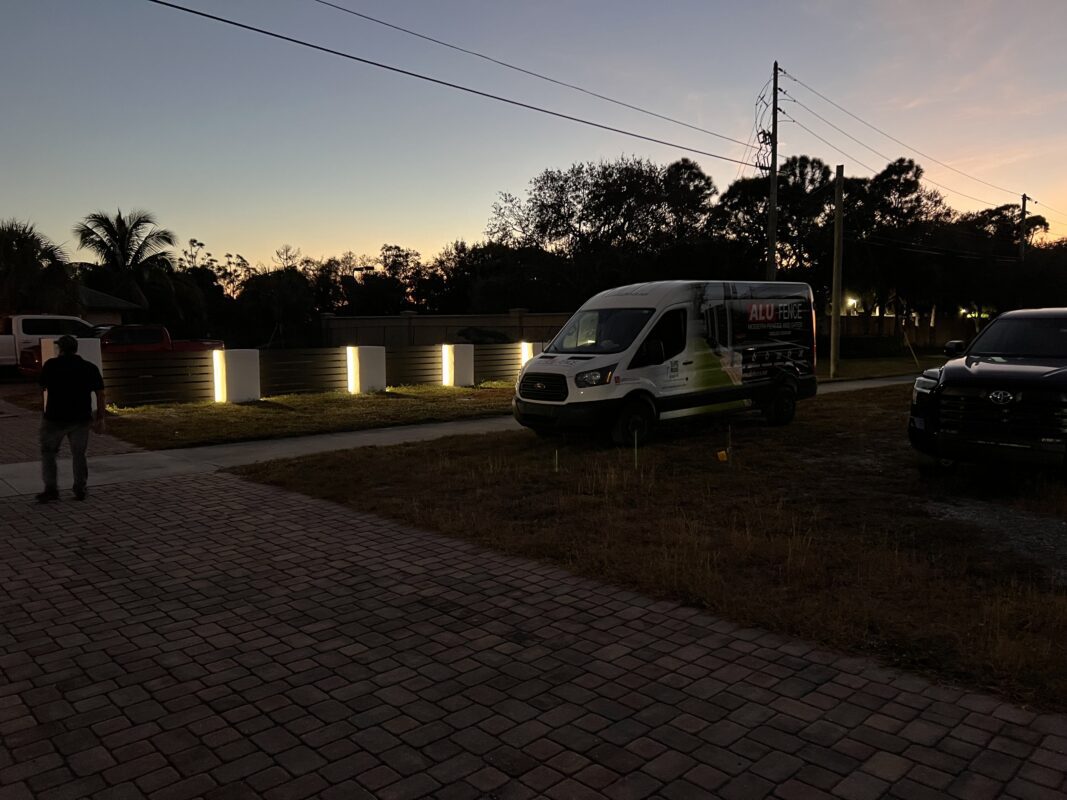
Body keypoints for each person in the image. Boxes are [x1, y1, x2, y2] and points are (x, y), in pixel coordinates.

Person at [37, 335, 106, 503]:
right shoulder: (89, 367)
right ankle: (80, 488)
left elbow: (42, 386)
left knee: (49, 453)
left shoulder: (51, 366)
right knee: (79, 454)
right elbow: (100, 393)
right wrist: (100, 417)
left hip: (54, 418)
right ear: (76, 349)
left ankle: (51, 489)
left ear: (60, 348)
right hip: (81, 419)